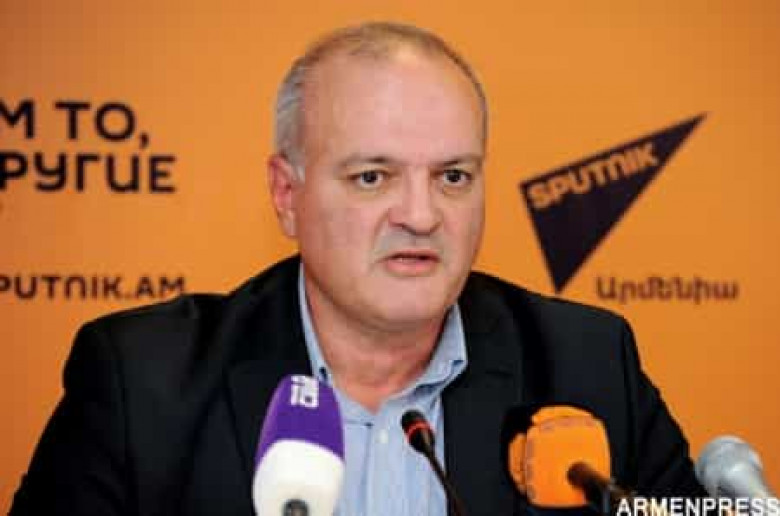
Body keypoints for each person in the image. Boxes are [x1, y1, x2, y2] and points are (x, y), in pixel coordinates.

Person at [9, 22, 706, 516]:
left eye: (453, 176)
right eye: (373, 177)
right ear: (287, 195)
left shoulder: (587, 363)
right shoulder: (143, 383)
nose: (422, 215)